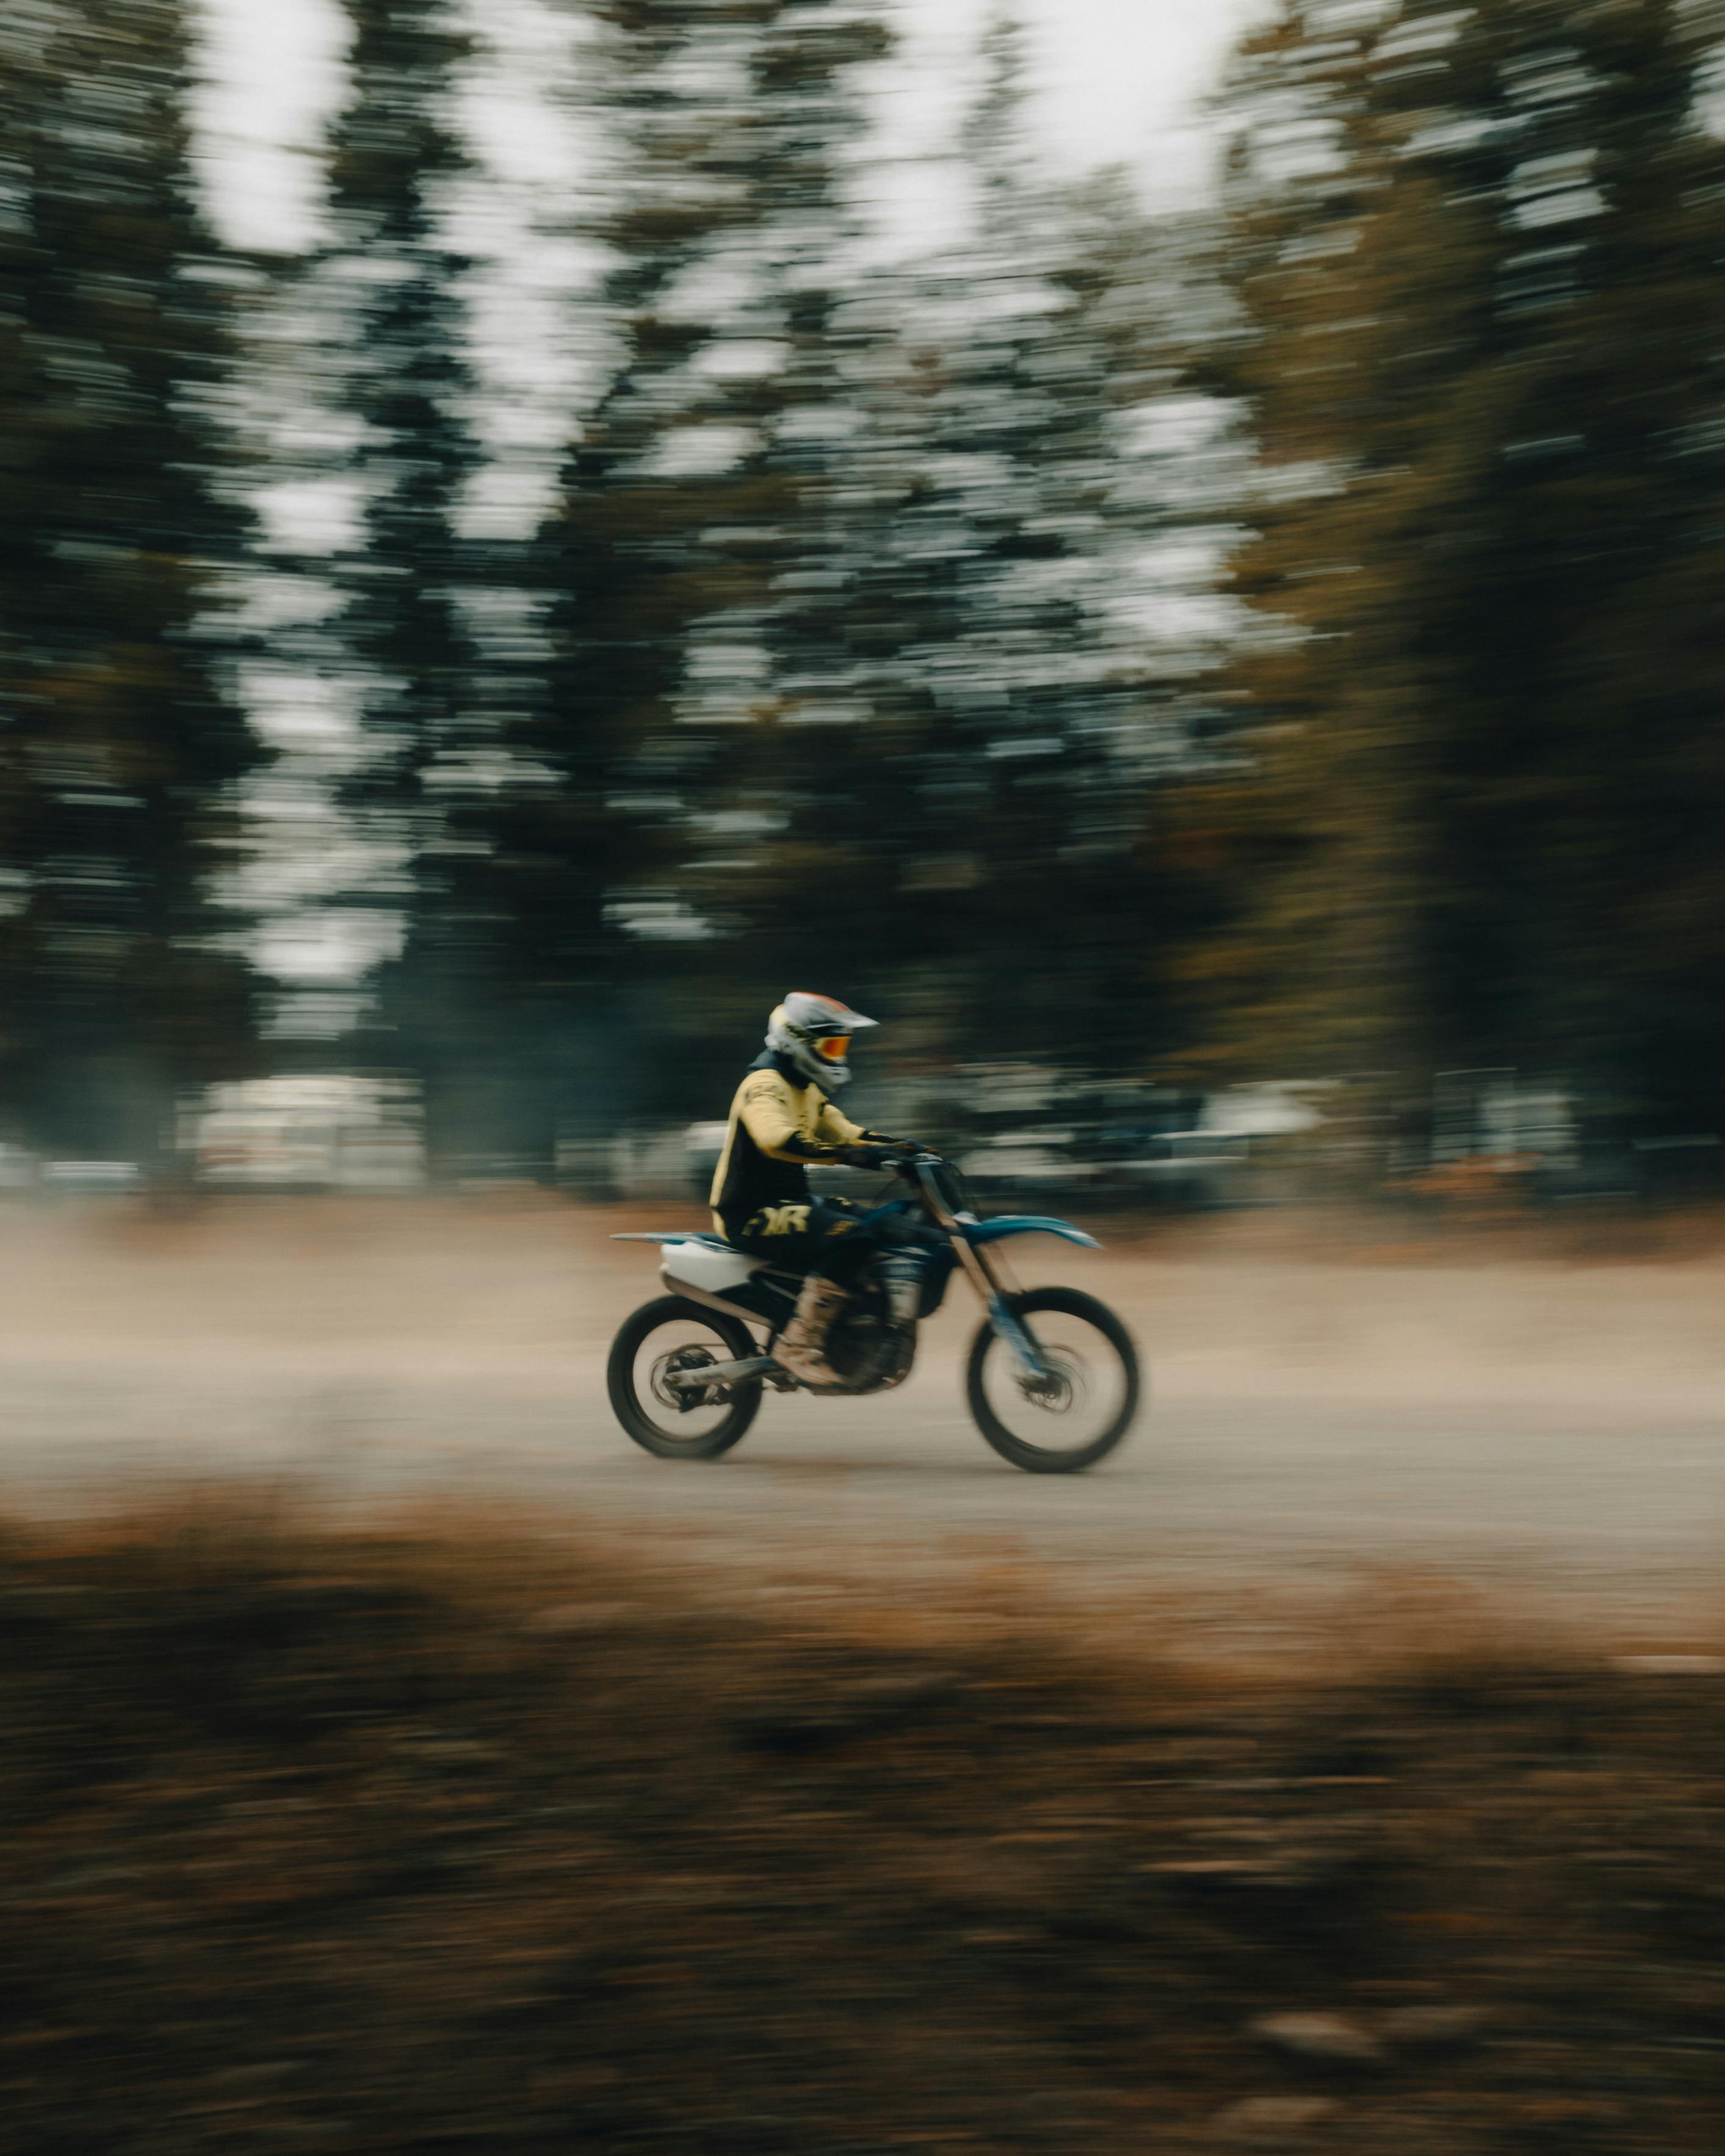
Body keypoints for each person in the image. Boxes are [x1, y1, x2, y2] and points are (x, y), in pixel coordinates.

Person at [711, 992, 927, 1386]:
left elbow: (850, 1134)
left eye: (841, 1044)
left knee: (884, 1223)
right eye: (831, 1044)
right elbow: (776, 1139)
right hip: (752, 1212)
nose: (837, 1053)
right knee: (851, 1236)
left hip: (791, 1203)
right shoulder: (764, 1085)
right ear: (798, 1040)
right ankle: (797, 1346)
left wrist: (906, 1149)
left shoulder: (807, 1090)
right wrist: (849, 1156)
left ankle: (855, 1324)